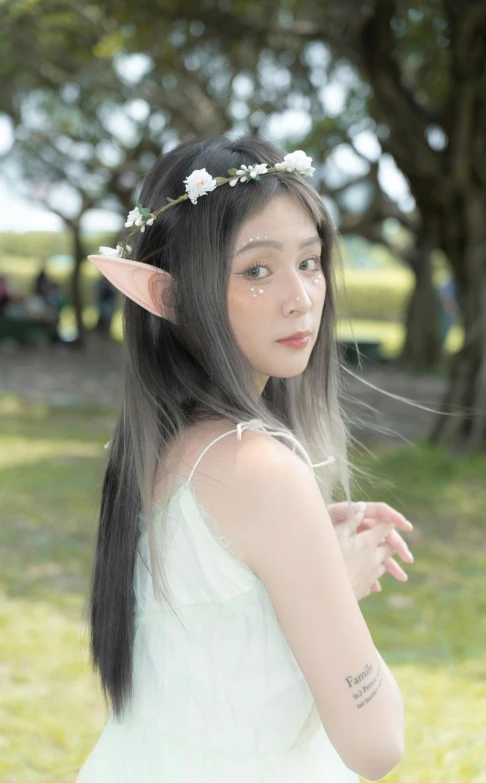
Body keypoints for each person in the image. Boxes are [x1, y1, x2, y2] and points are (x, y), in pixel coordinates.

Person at [76, 135, 414, 782]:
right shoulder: (259, 467)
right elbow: (378, 743)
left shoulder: (156, 440)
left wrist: (305, 557)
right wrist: (329, 591)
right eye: (257, 270)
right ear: (176, 296)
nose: (301, 297)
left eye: (310, 262)